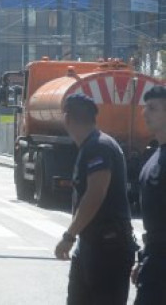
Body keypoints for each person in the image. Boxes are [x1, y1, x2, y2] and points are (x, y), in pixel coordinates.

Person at [53, 93, 136, 305]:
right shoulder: (93, 144)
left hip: (107, 248)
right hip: (93, 244)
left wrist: (69, 236)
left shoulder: (98, 146)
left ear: (67, 118)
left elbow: (95, 193)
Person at [133, 85, 166, 304]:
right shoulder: (154, 156)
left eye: (152, 108)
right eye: (146, 107)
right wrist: (144, 258)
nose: (145, 113)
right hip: (154, 261)